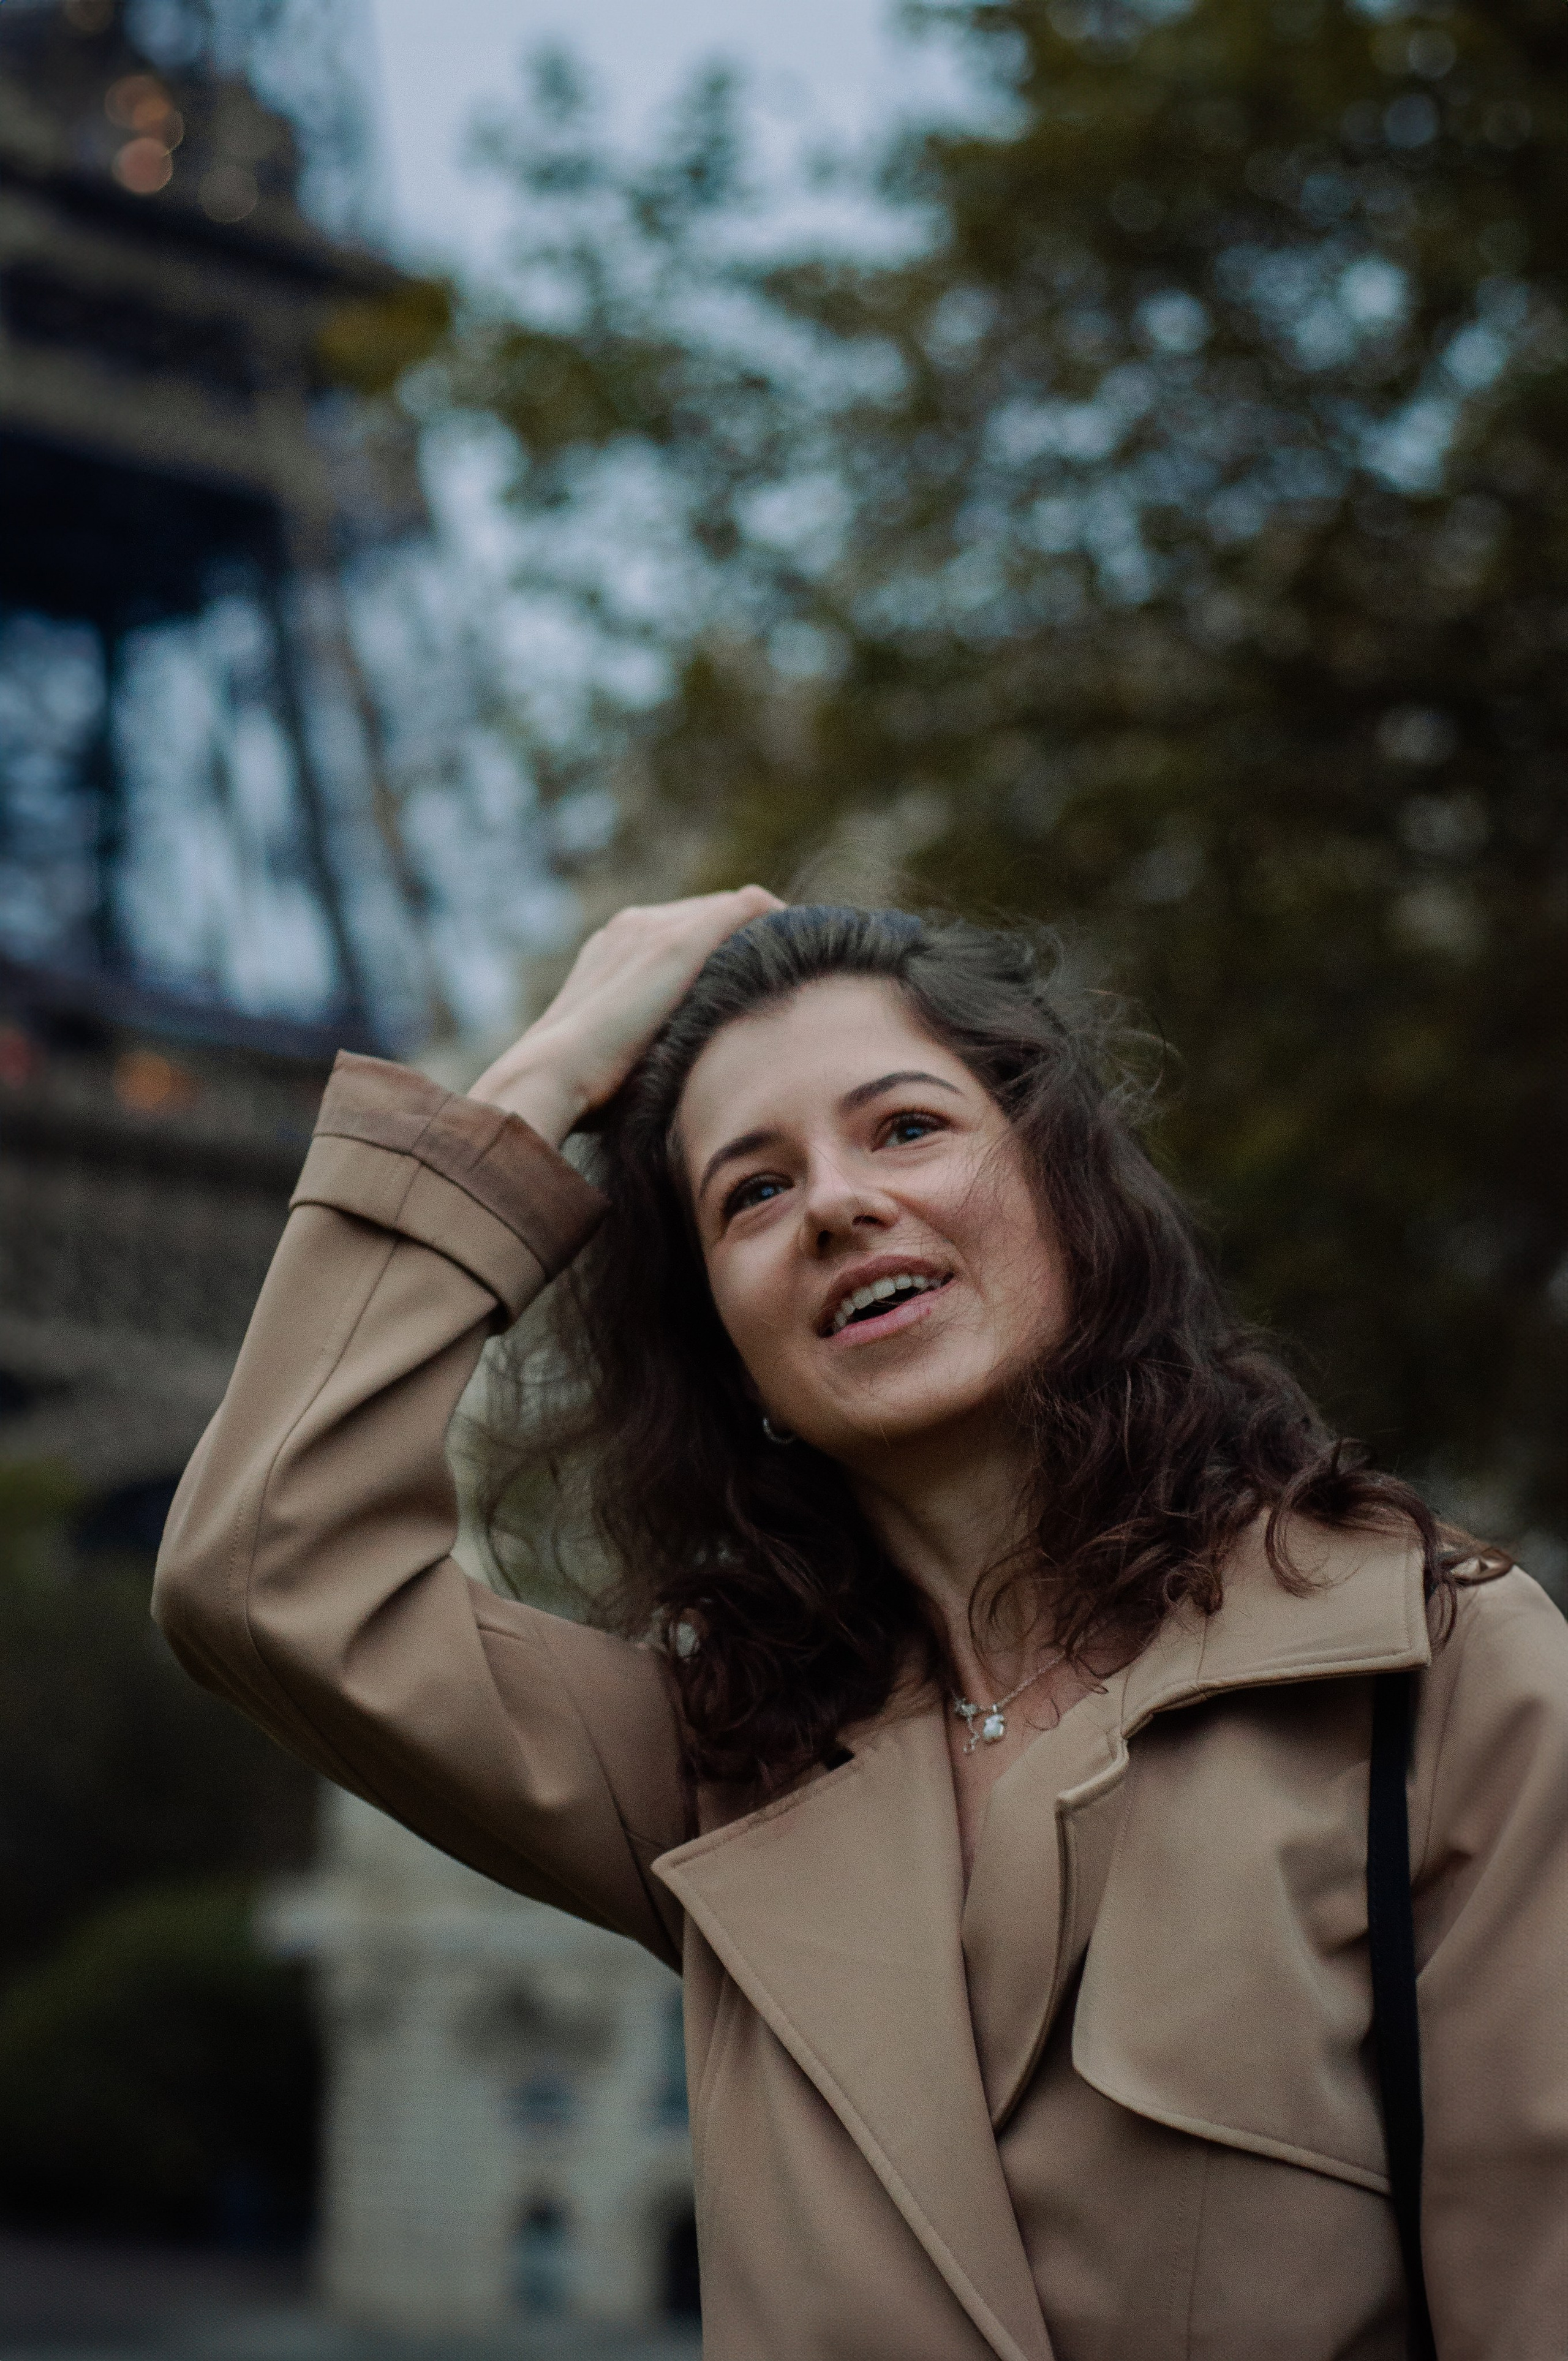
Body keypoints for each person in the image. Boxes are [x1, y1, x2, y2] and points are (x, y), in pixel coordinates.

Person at [154, 892, 1567, 2361]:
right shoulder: (718, 1774)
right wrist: (543, 1080)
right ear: (726, 1341)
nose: (832, 1201)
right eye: (749, 1192)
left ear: (1066, 1186)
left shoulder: (1432, 1668)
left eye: (903, 1128)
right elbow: (260, 1570)